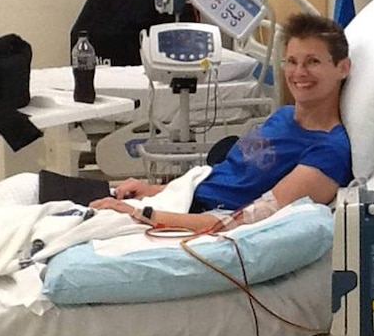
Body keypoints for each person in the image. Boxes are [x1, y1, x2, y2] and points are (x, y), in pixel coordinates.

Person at [90, 12, 352, 232]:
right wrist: (151, 190)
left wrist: (143, 215)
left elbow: (242, 221)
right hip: (184, 198)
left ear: (343, 68)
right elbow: (223, 178)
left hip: (199, 219)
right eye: (292, 62)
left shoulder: (327, 152)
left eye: (313, 62)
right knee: (65, 201)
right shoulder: (281, 117)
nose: (299, 73)